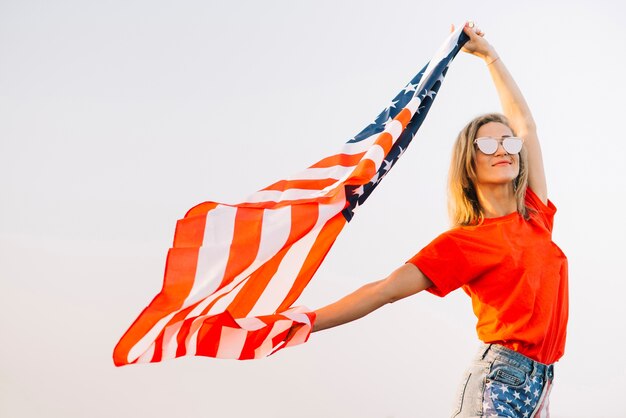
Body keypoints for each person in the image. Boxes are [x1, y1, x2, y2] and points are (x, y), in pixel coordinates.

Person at [301, 22, 569, 417]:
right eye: (488, 143)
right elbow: (384, 290)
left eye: (508, 142)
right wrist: (306, 323)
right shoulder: (464, 243)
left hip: (541, 387)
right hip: (498, 383)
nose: (504, 149)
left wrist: (490, 56)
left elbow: (525, 124)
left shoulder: (535, 215)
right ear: (469, 162)